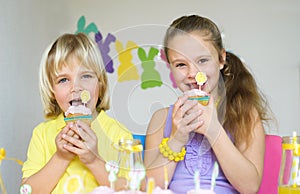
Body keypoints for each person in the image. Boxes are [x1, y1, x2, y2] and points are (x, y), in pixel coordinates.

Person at [144, 15, 271, 194]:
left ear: (221, 59)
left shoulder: (245, 114)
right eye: (181, 64)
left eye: (202, 60)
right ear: (170, 67)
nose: (193, 73)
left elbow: (250, 187)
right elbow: (148, 188)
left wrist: (213, 130)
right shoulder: (161, 118)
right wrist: (177, 137)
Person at [21, 33, 132, 193]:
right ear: (52, 90)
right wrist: (61, 157)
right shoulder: (42, 134)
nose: (76, 87)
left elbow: (131, 189)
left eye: (86, 76)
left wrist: (93, 160)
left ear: (100, 84)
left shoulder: (120, 135)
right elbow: (27, 191)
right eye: (63, 80)